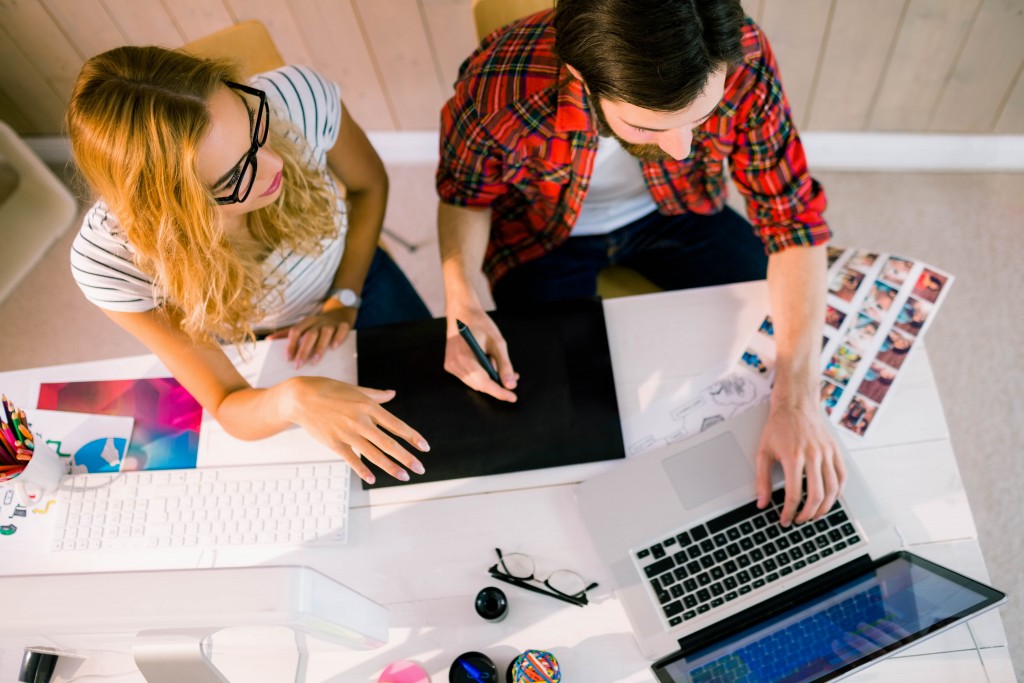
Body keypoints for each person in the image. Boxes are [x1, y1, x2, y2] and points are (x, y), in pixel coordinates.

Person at [436, 0, 841, 526]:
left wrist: (794, 402)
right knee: (560, 416)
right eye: (648, 128)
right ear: (584, 76)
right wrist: (460, 296)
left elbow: (793, 220)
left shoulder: (743, 52)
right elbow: (466, 196)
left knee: (787, 337)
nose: (680, 148)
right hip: (543, 238)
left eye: (701, 118)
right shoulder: (499, 85)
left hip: (682, 212)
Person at [66, 46, 432, 485]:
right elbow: (227, 403)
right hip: (240, 330)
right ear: (173, 210)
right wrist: (291, 399)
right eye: (235, 176)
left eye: (255, 126)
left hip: (355, 276)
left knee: (434, 407)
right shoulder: (109, 261)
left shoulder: (296, 99)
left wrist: (346, 295)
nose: (276, 164)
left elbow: (369, 186)